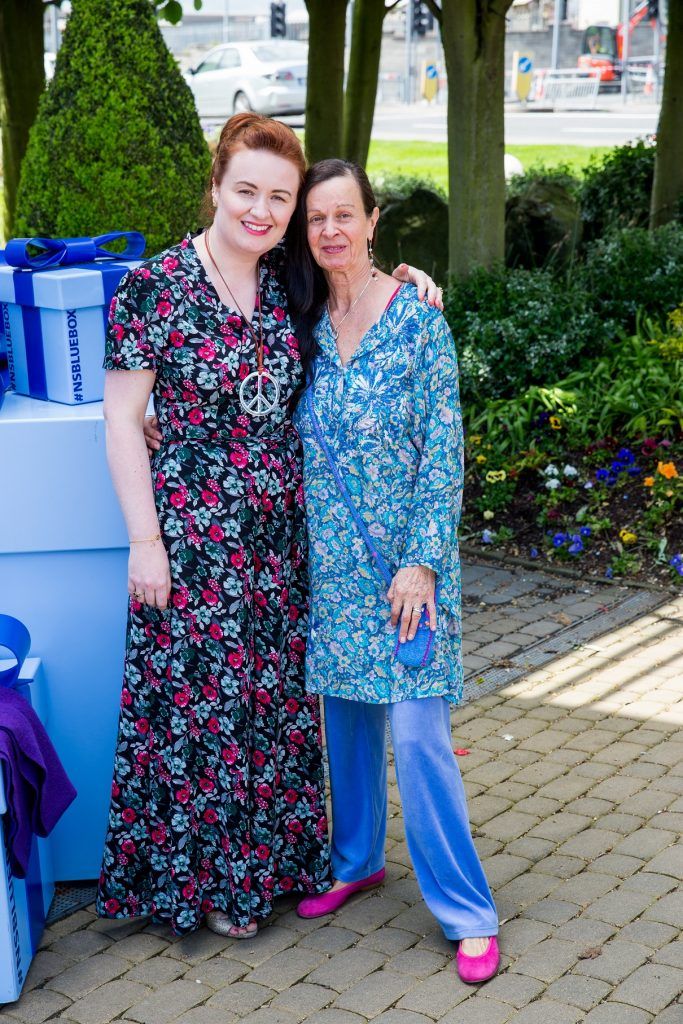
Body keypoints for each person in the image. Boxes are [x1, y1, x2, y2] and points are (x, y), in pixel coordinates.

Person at [99, 113, 440, 939]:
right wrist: (146, 541)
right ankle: (204, 886)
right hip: (194, 534)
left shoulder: (289, 278)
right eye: (246, 190)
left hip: (285, 536)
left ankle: (274, 866)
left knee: (271, 704)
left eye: (278, 198)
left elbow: (356, 287)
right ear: (215, 186)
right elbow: (119, 421)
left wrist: (413, 281)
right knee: (202, 704)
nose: (262, 209)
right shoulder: (156, 286)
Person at [288, 160, 500, 985]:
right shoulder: (297, 318)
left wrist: (420, 562)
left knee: (417, 738)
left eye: (346, 214)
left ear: (374, 221)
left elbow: (443, 450)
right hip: (332, 568)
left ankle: (468, 910)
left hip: (404, 570)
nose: (330, 230)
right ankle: (356, 861)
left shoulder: (417, 319)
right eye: (316, 218)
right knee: (344, 724)